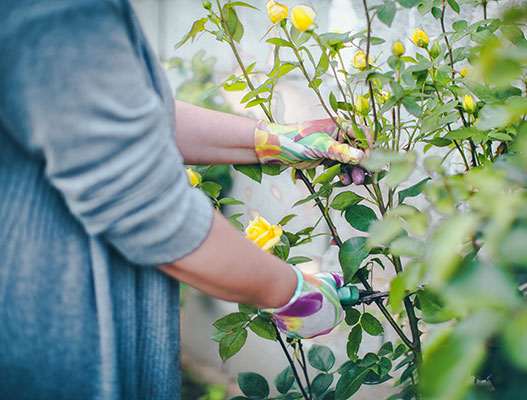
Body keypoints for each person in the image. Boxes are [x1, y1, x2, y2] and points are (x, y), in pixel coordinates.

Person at [0, 1, 365, 398]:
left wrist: (282, 141)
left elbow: (119, 119)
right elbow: (141, 204)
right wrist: (294, 295)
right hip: (59, 344)